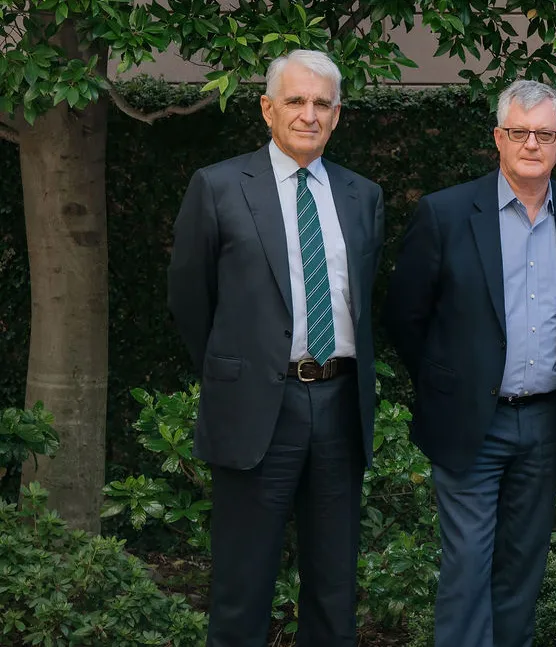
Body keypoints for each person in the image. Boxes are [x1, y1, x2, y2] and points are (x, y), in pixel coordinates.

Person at [167, 49, 382, 647]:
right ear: (267, 108)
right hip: (257, 407)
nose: (309, 114)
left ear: (337, 115)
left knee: (335, 593)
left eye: (322, 104)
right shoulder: (218, 187)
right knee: (242, 591)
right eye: (296, 101)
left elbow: (365, 300)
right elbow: (190, 301)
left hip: (340, 407)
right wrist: (239, 371)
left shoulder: (363, 195)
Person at [384, 80, 556, 647]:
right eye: (519, 132)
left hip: (545, 421)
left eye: (544, 134)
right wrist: (449, 382)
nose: (532, 143)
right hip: (469, 421)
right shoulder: (446, 212)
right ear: (498, 138)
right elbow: (406, 316)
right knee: (466, 566)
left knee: (523, 567)